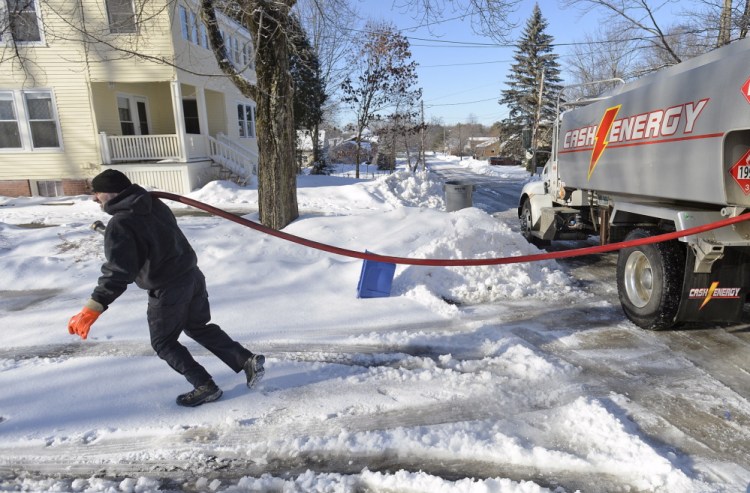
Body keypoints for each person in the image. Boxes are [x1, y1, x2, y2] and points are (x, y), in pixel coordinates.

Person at [67, 169, 265, 407]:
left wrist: (93, 307)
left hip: (168, 288)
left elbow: (118, 272)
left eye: (97, 193)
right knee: (197, 327)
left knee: (164, 342)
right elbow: (152, 240)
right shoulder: (153, 204)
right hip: (192, 277)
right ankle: (246, 361)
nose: (94, 198)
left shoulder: (121, 223)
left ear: (111, 193)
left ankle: (205, 386)